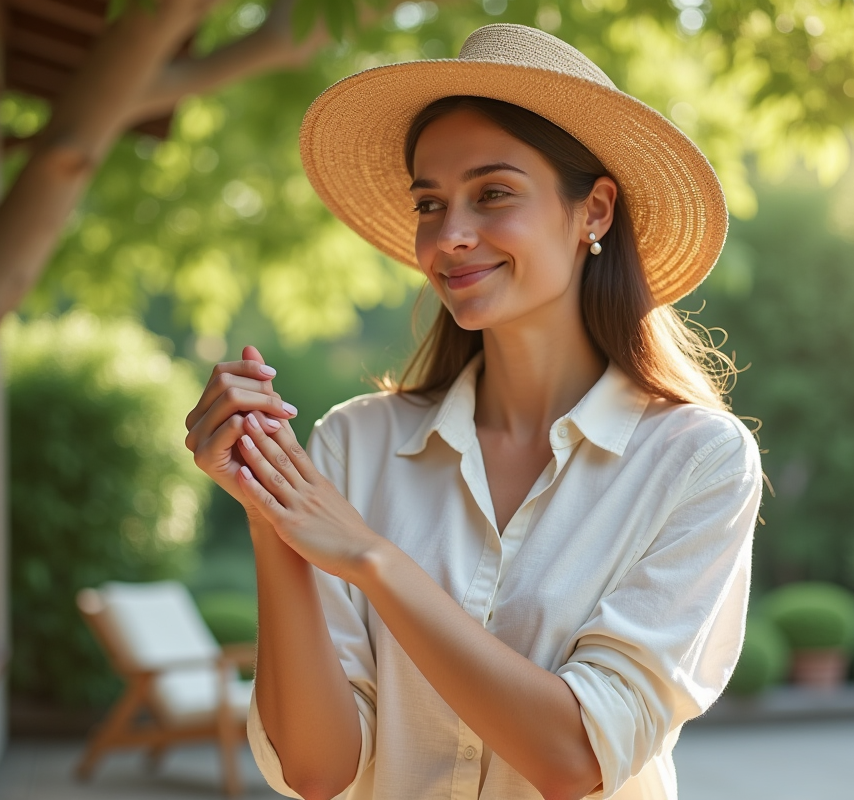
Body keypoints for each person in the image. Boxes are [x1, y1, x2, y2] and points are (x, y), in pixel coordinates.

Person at [184, 23, 762, 800]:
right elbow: (318, 770)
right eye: (431, 203)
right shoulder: (355, 443)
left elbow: (575, 756)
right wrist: (272, 514)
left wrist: (372, 557)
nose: (449, 237)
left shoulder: (698, 459)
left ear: (593, 211)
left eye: (492, 193)